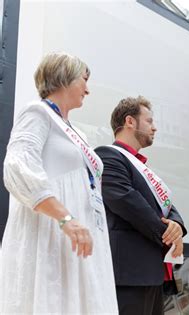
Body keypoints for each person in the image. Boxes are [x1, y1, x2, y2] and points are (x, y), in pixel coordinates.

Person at [1, 52, 118, 313]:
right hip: (53, 233)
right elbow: (18, 167)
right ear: (64, 79)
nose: (88, 89)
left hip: (83, 239)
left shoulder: (78, 133)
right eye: (83, 79)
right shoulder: (37, 113)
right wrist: (65, 218)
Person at [95, 96, 186, 315]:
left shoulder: (144, 168)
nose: (154, 128)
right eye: (149, 121)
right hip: (129, 272)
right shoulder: (107, 155)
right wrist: (167, 233)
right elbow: (126, 200)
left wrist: (176, 224)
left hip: (152, 272)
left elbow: (168, 207)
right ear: (130, 121)